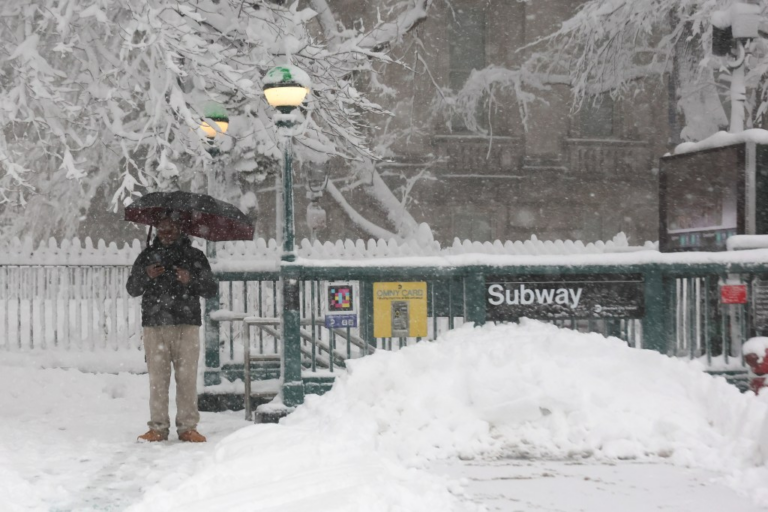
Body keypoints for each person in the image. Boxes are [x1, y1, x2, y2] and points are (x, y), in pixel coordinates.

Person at [127, 212, 218, 443]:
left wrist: (191, 280)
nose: (166, 234)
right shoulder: (147, 256)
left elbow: (210, 289)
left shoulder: (194, 256)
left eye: (170, 229)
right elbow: (132, 288)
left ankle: (188, 426)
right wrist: (146, 275)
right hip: (155, 325)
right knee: (158, 380)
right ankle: (158, 427)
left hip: (186, 325)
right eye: (162, 229)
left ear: (180, 230)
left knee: (187, 378)